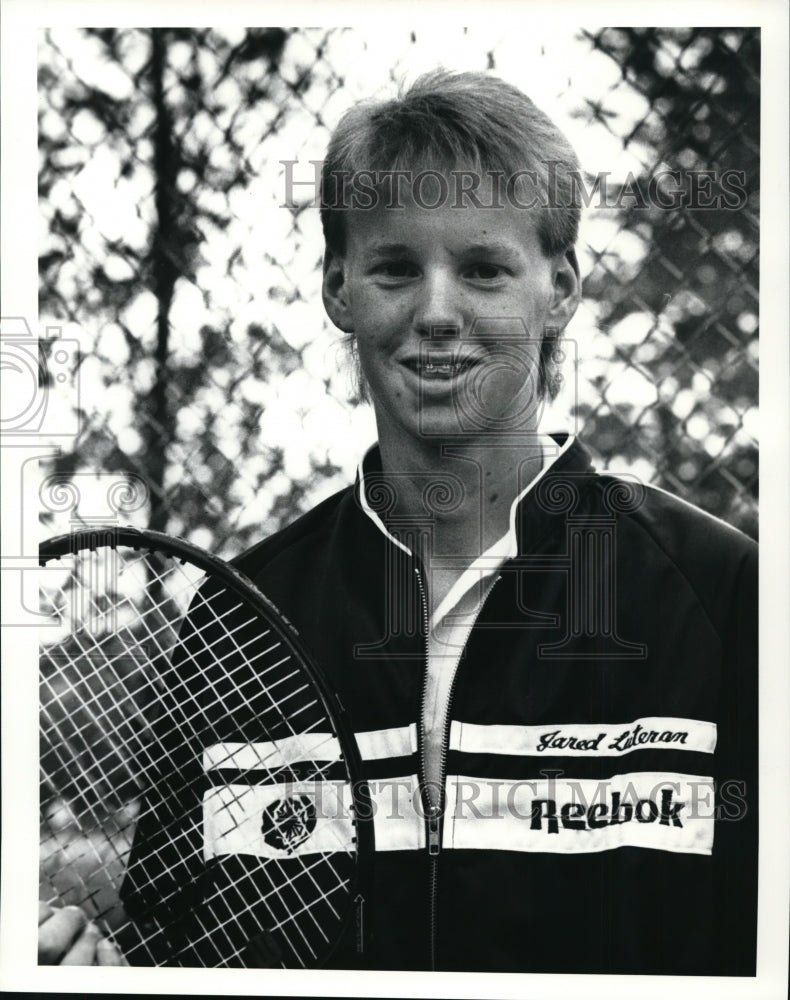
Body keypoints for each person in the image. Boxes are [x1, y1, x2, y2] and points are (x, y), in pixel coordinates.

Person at [39, 70, 757, 974]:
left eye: (485, 269)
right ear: (341, 290)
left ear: (562, 288)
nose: (437, 313)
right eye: (395, 269)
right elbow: (175, 951)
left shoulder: (722, 595)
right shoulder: (240, 619)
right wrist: (95, 971)